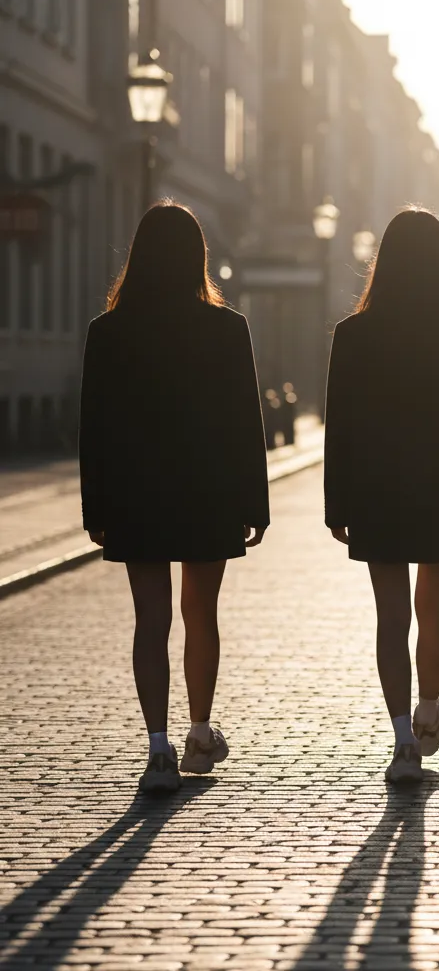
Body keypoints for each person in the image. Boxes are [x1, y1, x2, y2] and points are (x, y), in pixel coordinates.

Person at [79, 202, 269, 794]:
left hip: (137, 493)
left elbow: (94, 428)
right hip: (207, 490)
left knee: (150, 620)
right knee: (200, 615)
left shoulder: (108, 331)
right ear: (198, 258)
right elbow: (246, 422)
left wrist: (96, 509)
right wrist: (253, 505)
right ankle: (200, 731)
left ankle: (158, 746)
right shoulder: (227, 327)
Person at [324, 207, 439, 785]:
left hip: (377, 491)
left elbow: (339, 427)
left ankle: (402, 737)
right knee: (433, 610)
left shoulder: (355, 334)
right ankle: (429, 706)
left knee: (391, 616)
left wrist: (337, 505)